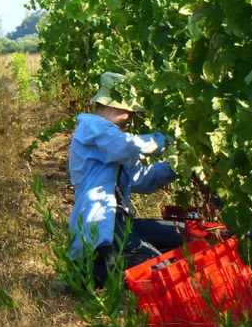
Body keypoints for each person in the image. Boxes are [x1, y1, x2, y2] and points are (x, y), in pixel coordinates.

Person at [68, 71, 184, 289]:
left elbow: (140, 179)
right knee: (162, 271)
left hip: (120, 222)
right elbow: (128, 146)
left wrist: (176, 166)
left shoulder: (111, 139)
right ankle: (92, 273)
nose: (131, 116)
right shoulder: (92, 128)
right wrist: (165, 140)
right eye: (130, 110)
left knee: (181, 235)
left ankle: (102, 270)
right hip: (101, 222)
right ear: (116, 106)